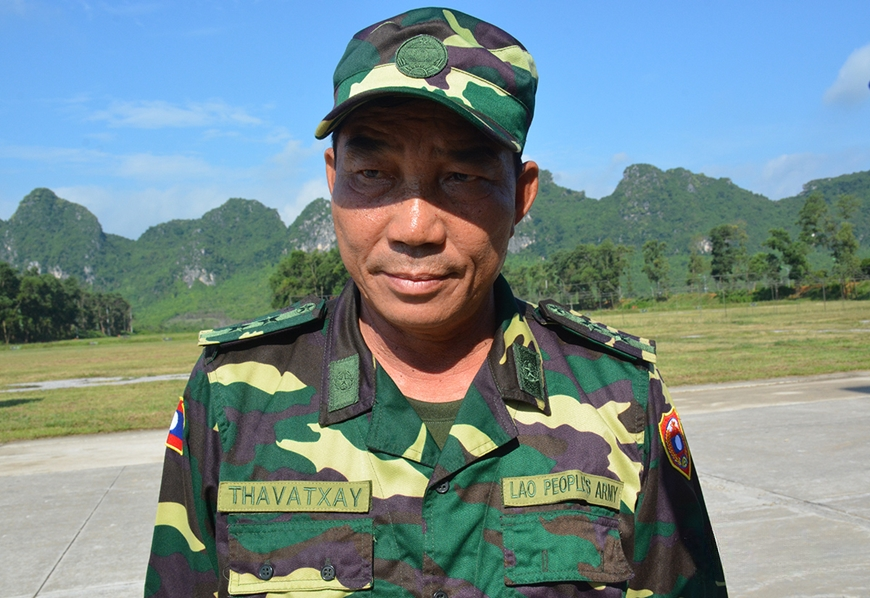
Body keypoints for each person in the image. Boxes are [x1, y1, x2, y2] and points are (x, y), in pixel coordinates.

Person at [145, 7, 727, 598]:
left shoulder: (619, 396)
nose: (415, 229)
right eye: (373, 173)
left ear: (521, 196)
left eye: (461, 178)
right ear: (332, 177)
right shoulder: (234, 395)